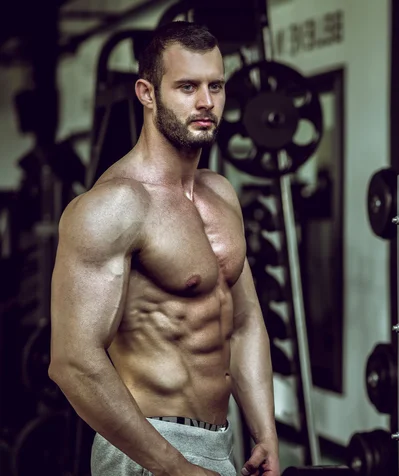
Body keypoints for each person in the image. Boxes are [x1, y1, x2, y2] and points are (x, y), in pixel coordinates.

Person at [48, 21, 280, 476]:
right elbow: (72, 363)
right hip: (147, 448)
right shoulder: (116, 204)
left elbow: (245, 324)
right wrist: (175, 468)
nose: (206, 102)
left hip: (220, 443)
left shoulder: (221, 195)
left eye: (216, 86)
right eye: (187, 87)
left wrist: (265, 433)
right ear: (147, 93)